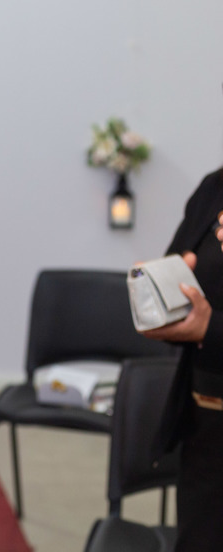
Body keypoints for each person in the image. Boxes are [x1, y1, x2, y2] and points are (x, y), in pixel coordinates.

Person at [146, 174, 223, 551]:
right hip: (206, 417)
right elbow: (179, 269)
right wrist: (157, 294)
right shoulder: (215, 187)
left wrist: (212, 328)